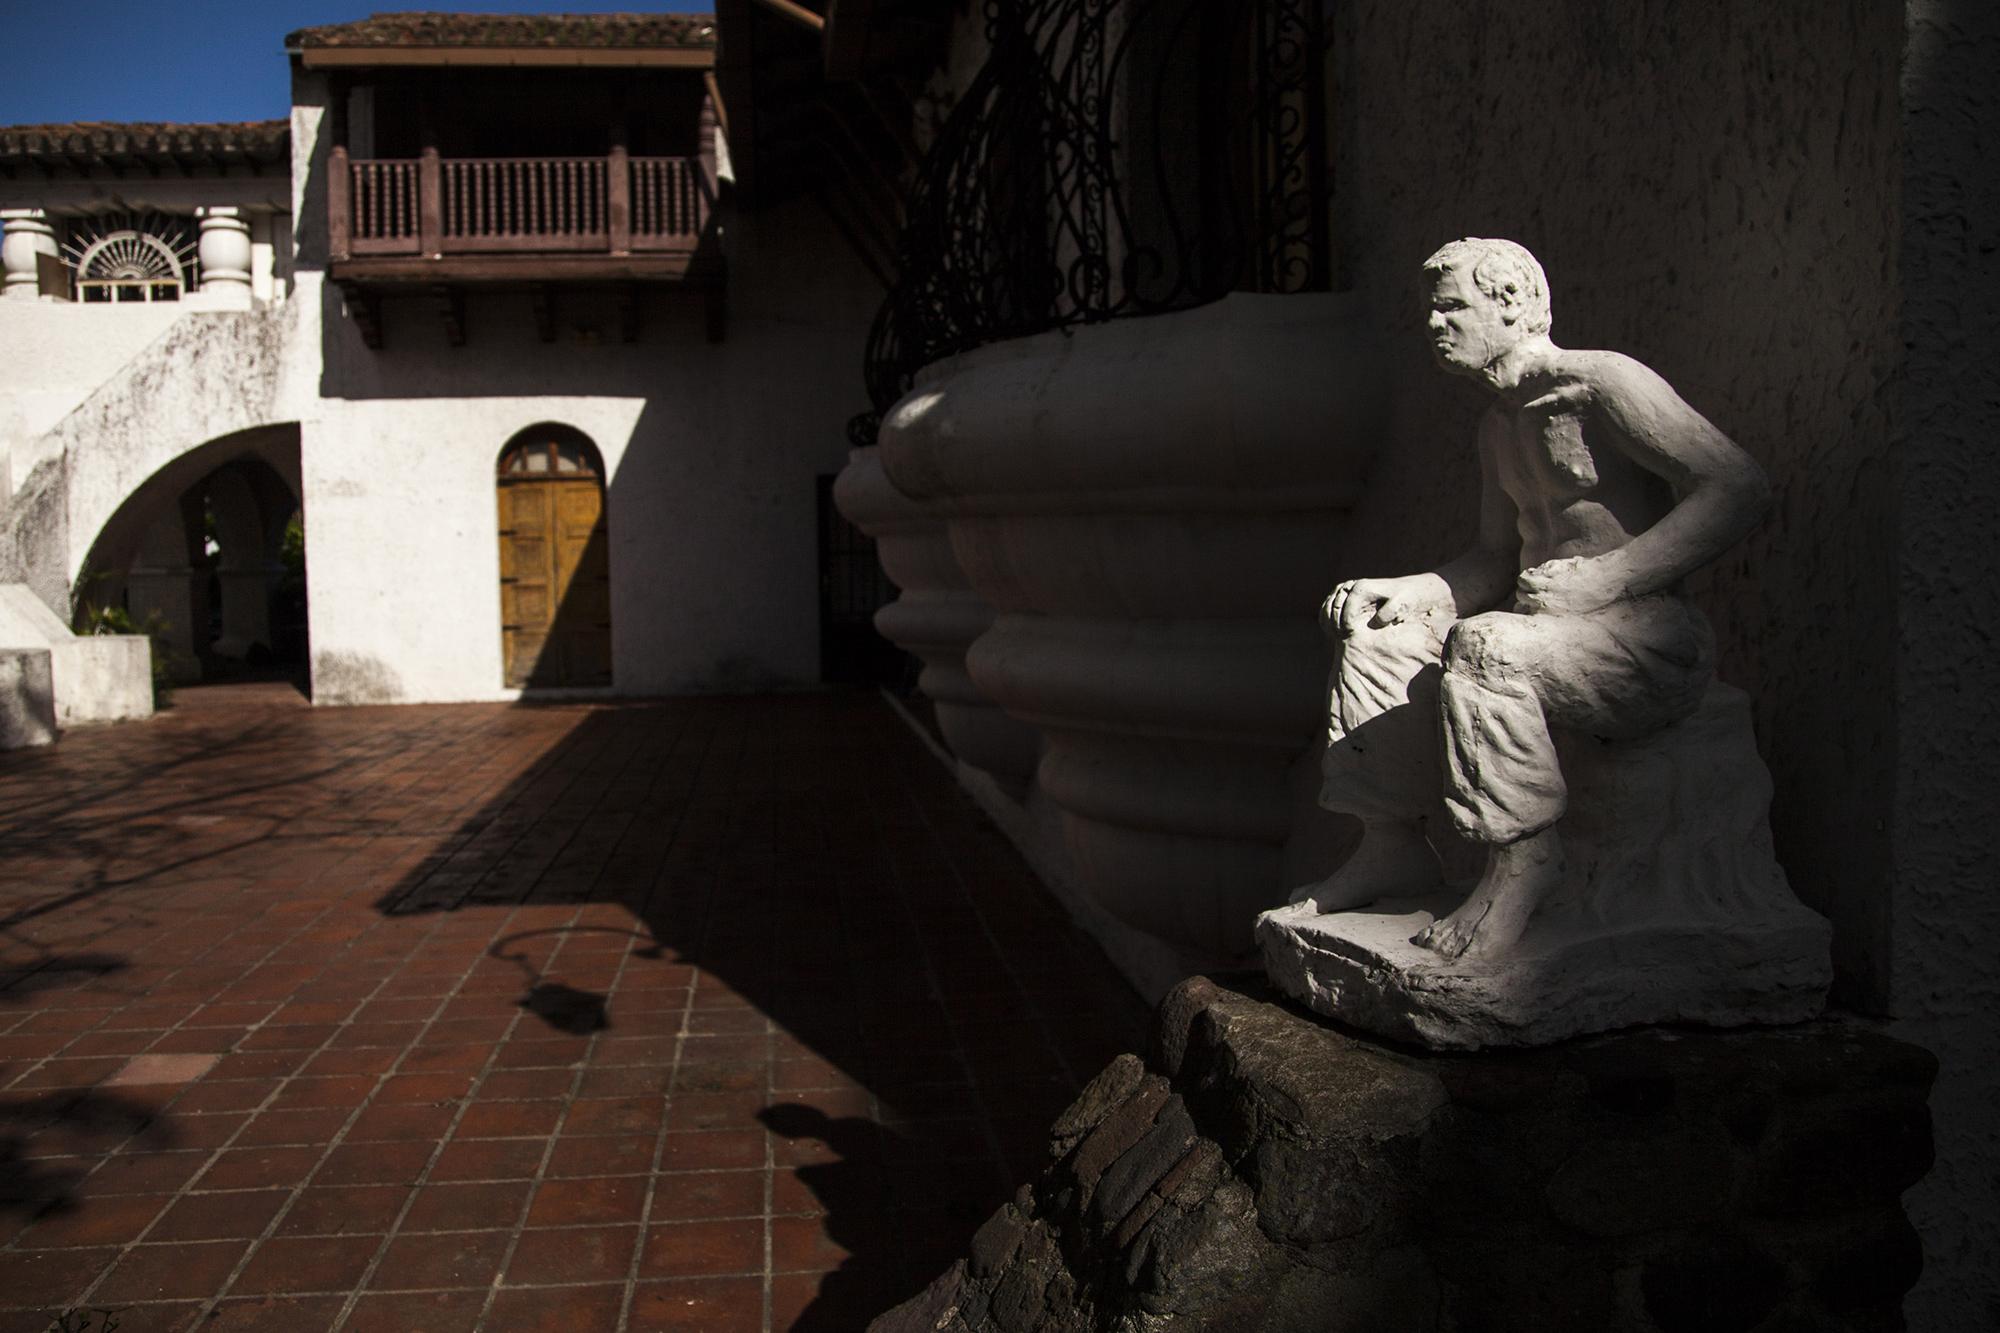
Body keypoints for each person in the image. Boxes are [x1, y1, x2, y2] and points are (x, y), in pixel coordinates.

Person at [1311, 237, 1771, 961]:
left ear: (1512, 303)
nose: (1435, 324)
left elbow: (1737, 486)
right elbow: (1495, 560)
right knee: (1377, 636)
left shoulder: (1602, 385)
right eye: (1431, 310)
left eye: (1451, 306)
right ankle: (1391, 842)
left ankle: (1523, 864)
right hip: (1545, 635)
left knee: (1486, 645)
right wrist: (1408, 593)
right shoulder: (1498, 425)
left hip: (1647, 639)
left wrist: (1611, 577)